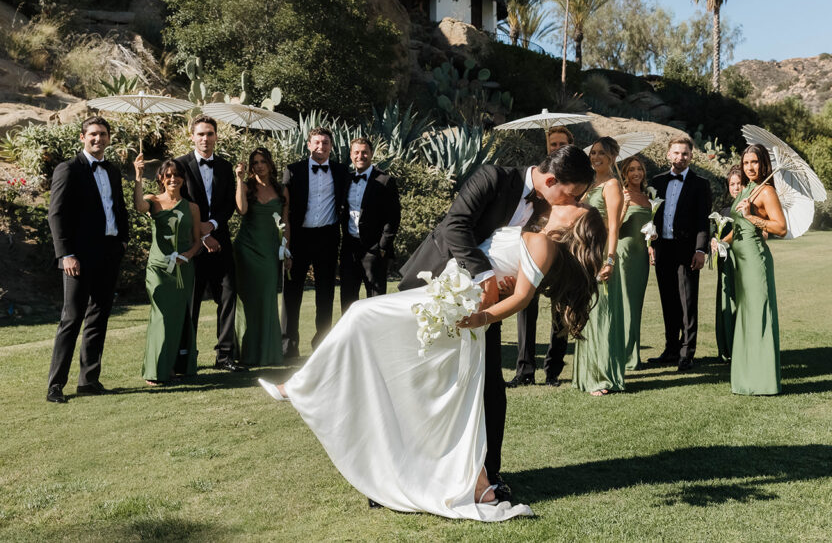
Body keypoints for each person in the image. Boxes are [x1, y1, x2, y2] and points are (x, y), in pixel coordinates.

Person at [260, 204, 606, 520]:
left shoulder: (543, 246)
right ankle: (477, 482)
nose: (566, 202)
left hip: (456, 305)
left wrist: (481, 316)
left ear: (574, 223)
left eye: (574, 206)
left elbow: (520, 298)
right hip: (447, 293)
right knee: (437, 395)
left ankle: (301, 385)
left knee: (362, 315)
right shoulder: (535, 232)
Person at [397, 145, 594, 502]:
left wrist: (505, 285)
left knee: (489, 390)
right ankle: (402, 475)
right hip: (435, 288)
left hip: (486, 310)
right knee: (422, 386)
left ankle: (488, 475)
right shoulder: (492, 177)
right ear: (551, 180)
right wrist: (485, 274)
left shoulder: (548, 210)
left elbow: (526, 260)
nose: (574, 202)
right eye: (572, 194)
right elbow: (455, 225)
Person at [45, 116, 128, 403]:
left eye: (103, 134)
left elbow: (118, 207)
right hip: (77, 257)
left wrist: (122, 241)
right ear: (82, 137)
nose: (99, 139)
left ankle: (88, 380)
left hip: (109, 253)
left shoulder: (113, 170)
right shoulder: (68, 169)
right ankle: (55, 386)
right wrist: (65, 254)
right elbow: (56, 215)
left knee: (99, 316)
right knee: (71, 318)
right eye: (93, 134)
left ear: (108, 137)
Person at [509, 125, 576, 388]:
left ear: (570, 146)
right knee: (525, 305)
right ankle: (524, 369)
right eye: (553, 144)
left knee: (561, 309)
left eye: (562, 144)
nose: (556, 148)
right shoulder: (538, 176)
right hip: (534, 247)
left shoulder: (577, 179)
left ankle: (553, 370)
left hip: (564, 251)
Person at [174, 116, 242, 373]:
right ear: (192, 136)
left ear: (216, 136)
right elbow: (177, 202)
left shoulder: (225, 167)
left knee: (227, 296)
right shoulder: (179, 165)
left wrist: (212, 225)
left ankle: (225, 355)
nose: (205, 138)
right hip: (191, 245)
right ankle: (186, 356)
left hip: (221, 243)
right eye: (201, 134)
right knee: (191, 301)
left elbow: (228, 205)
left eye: (210, 134)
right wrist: (201, 234)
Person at [132, 156, 203, 385]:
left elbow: (197, 242)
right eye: (168, 175)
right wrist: (138, 177)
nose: (173, 179)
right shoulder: (153, 200)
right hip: (158, 269)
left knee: (179, 318)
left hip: (183, 270)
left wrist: (187, 256)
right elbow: (139, 207)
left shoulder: (192, 207)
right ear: (161, 178)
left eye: (177, 175)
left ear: (183, 178)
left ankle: (174, 367)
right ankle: (156, 370)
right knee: (161, 316)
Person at [725, 144, 787, 395]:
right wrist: (721, 241)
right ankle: (746, 376)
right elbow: (738, 228)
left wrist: (752, 217)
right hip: (739, 261)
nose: (750, 167)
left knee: (758, 314)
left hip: (755, 261)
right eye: (746, 162)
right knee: (746, 316)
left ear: (764, 164)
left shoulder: (767, 192)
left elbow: (780, 228)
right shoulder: (748, 189)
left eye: (755, 162)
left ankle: (762, 381)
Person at [281, 127, 349, 354]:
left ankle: (323, 344)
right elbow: (284, 209)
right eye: (317, 143)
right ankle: (288, 344)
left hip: (327, 238)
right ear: (308, 145)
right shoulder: (293, 171)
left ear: (331, 146)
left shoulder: (341, 171)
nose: (321, 147)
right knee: (292, 291)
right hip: (299, 237)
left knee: (326, 292)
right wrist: (285, 243)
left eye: (326, 143)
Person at [648, 135, 712, 372]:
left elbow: (703, 222)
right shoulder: (656, 182)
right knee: (668, 302)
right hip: (663, 249)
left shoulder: (700, 184)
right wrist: (650, 246)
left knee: (687, 304)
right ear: (668, 154)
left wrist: (700, 250)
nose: (680, 157)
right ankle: (671, 349)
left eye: (685, 153)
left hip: (687, 252)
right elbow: (650, 218)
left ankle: (687, 353)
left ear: (691, 156)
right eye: (676, 152)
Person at [572, 137, 626, 396]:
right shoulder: (589, 183)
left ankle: (602, 377)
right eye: (593, 153)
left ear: (613, 157)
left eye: (601, 153)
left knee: (600, 314)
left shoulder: (612, 185)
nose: (595, 157)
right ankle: (586, 375)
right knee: (587, 314)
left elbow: (614, 226)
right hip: (584, 253)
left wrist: (610, 260)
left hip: (601, 252)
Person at [232, 148, 291, 366]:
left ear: (270, 163)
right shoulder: (246, 187)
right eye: (254, 162)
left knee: (267, 299)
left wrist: (286, 249)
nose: (259, 166)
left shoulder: (282, 190)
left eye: (262, 161)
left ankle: (269, 352)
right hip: (247, 250)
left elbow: (286, 222)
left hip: (270, 251)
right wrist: (239, 180)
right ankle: (248, 352)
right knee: (249, 301)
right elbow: (241, 210)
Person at [339, 137, 400, 313]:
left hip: (373, 250)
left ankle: (376, 339)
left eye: (364, 152)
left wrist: (382, 247)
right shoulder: (346, 179)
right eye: (356, 152)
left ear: (371, 154)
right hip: (349, 249)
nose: (361, 156)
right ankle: (350, 339)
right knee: (348, 300)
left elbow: (393, 217)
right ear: (351, 155)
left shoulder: (385, 180)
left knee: (376, 300)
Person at [618, 155, 653, 371]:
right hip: (624, 254)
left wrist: (652, 240)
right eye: (631, 169)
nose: (636, 173)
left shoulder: (648, 198)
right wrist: (623, 208)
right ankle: (623, 354)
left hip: (641, 257)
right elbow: (612, 226)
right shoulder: (620, 195)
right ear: (625, 174)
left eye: (639, 169)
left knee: (636, 305)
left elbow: (647, 227)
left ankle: (634, 354)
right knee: (624, 304)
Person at [712, 165, 745, 363]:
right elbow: (715, 234)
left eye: (739, 183)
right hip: (726, 261)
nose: (735, 187)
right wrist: (714, 241)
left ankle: (742, 346)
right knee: (727, 300)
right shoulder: (723, 210)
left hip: (742, 259)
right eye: (732, 184)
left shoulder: (749, 207)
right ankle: (727, 346)